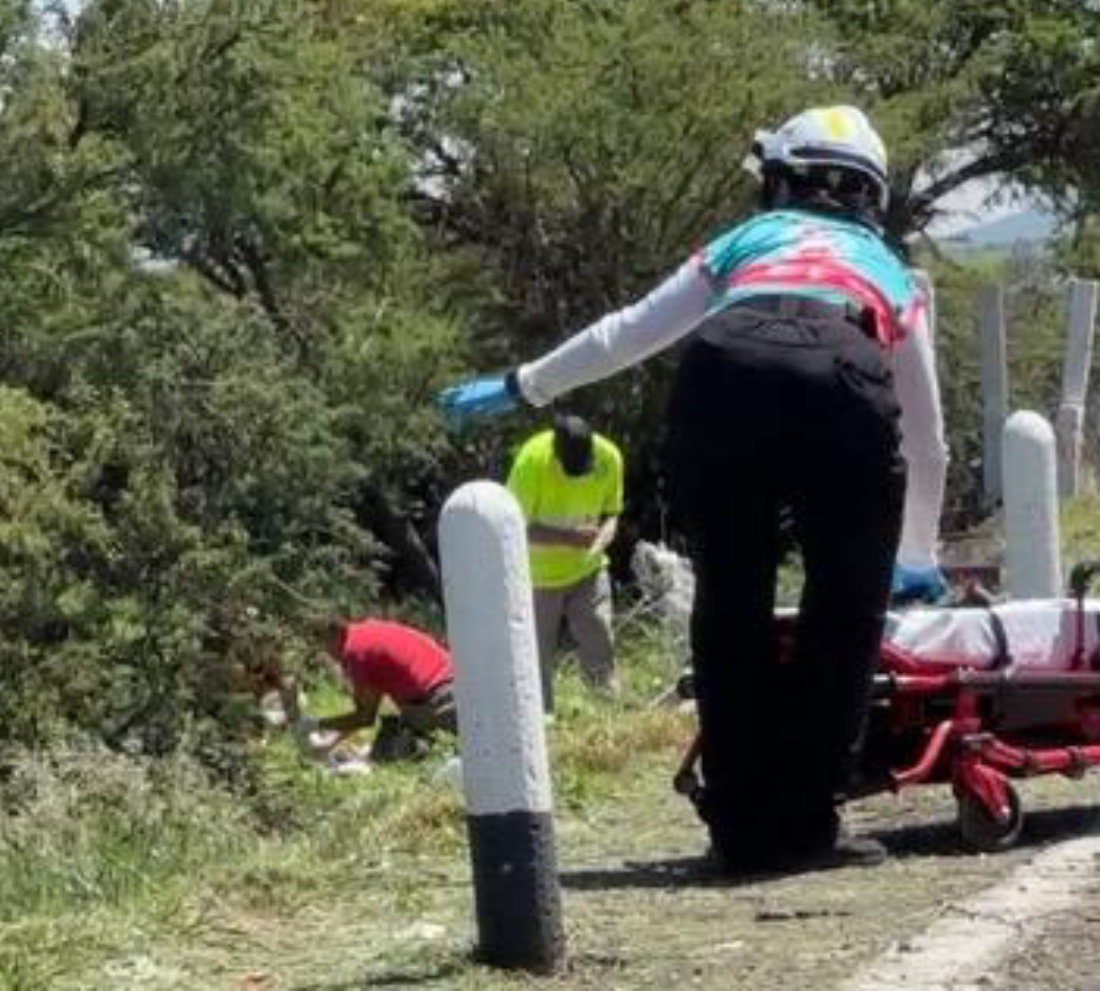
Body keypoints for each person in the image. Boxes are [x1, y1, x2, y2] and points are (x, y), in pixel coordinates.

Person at [439, 105, 949, 875]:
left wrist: (528, 383)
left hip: (722, 372)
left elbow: (631, 330)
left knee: (729, 603)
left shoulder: (744, 243)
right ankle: (806, 825)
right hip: (842, 376)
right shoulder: (884, 269)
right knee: (843, 614)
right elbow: (928, 435)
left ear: (780, 180)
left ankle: (738, 829)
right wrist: (915, 557)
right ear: (870, 195)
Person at [506, 413, 624, 711]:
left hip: (588, 569)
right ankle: (541, 719)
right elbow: (513, 526)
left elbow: (612, 513)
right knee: (535, 654)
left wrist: (602, 540)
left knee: (599, 635)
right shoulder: (531, 461)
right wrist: (570, 538)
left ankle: (608, 709)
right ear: (556, 452)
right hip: (536, 578)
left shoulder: (609, 457)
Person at [308, 617, 456, 762]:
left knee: (385, 754)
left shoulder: (355, 653)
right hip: (459, 681)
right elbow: (366, 712)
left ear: (333, 637)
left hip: (440, 703)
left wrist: (315, 724)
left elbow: (364, 718)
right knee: (393, 733)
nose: (330, 656)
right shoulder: (367, 629)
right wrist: (331, 742)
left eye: (326, 648)